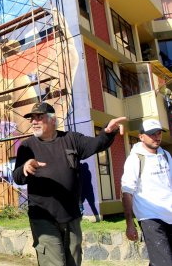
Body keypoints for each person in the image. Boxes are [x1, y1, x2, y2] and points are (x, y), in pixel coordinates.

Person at [12, 102, 126, 266]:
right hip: (43, 217)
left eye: (39, 117)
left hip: (71, 215)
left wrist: (107, 131)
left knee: (74, 261)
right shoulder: (27, 146)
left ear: (52, 120)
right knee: (54, 263)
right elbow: (17, 177)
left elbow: (96, 144)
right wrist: (25, 167)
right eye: (32, 118)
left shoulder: (71, 139)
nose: (33, 122)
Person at [121, 119, 172, 266]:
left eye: (158, 133)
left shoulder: (166, 156)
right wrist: (129, 223)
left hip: (169, 213)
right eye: (151, 134)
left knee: (161, 259)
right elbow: (127, 192)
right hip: (150, 217)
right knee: (165, 262)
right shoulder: (135, 159)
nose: (157, 137)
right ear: (141, 136)